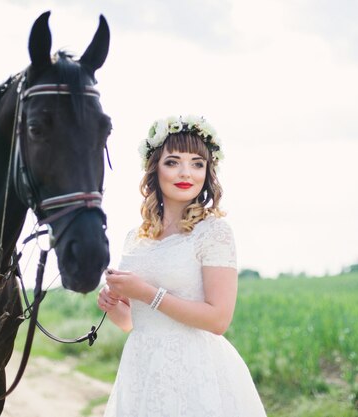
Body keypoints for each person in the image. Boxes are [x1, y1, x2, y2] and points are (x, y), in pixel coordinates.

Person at [98, 115, 267, 417]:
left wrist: (146, 293)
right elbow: (133, 323)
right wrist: (113, 306)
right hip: (142, 368)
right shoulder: (134, 238)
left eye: (197, 163)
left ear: (208, 171)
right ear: (155, 169)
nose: (186, 172)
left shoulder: (213, 232)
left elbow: (218, 320)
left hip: (195, 370)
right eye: (173, 162)